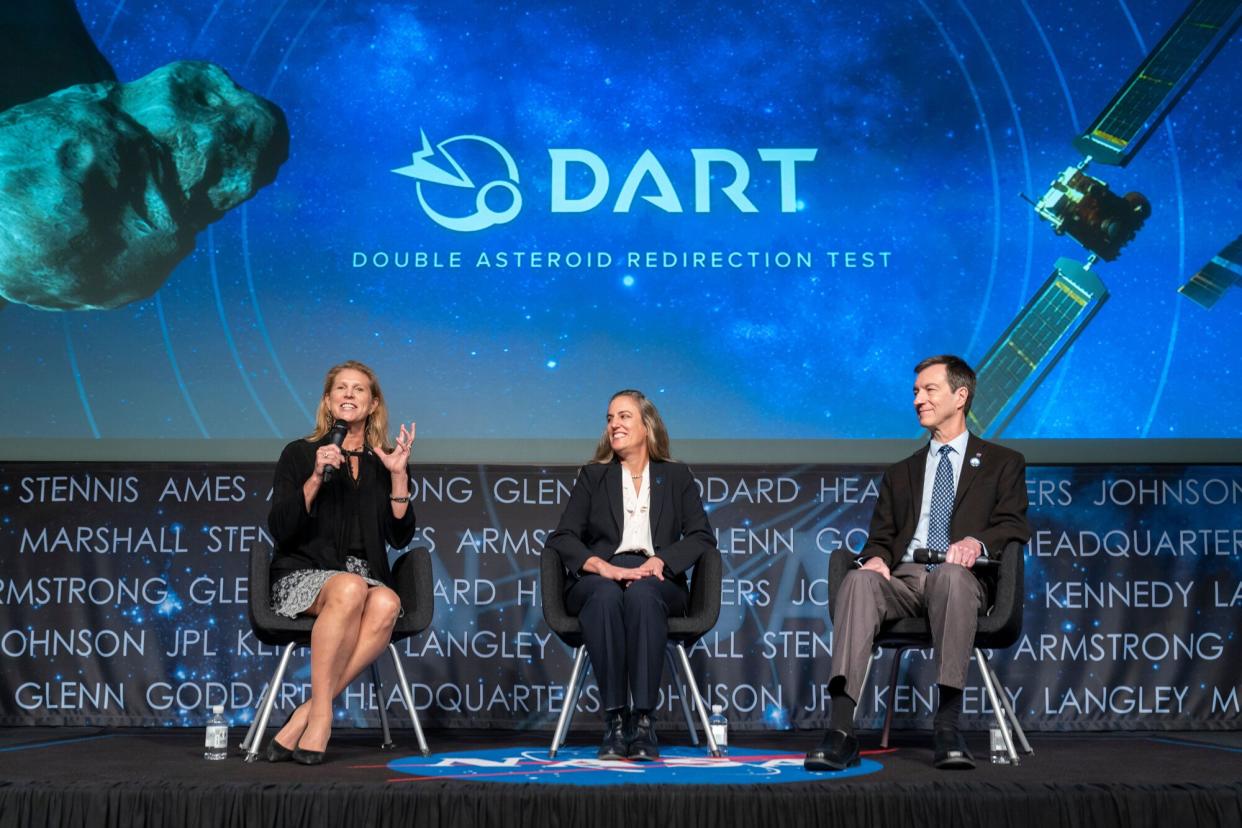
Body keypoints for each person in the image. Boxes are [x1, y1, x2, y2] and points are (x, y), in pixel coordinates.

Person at [805, 355, 1030, 771]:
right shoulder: (901, 472)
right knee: (857, 581)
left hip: (964, 578)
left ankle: (946, 726)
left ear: (960, 396)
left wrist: (976, 543)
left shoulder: (1002, 462)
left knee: (950, 576)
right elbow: (882, 538)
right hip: (905, 580)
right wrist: (875, 560)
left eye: (929, 390)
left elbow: (1013, 524)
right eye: (915, 392)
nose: (918, 400)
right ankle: (840, 731)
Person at [545, 390, 717, 761]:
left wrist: (662, 563)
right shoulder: (594, 476)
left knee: (642, 595)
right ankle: (614, 721)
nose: (614, 425)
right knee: (605, 596)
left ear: (647, 425)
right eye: (609, 418)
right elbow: (562, 537)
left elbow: (702, 535)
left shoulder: (676, 475)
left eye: (623, 416)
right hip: (599, 577)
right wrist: (601, 566)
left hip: (656, 577)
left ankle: (642, 722)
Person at [264, 360, 417, 765]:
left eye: (359, 389)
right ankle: (324, 718)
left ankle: (307, 712)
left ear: (373, 403)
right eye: (341, 389)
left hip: (362, 578)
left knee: (386, 601)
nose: (349, 395)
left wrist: (399, 476)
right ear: (329, 402)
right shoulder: (300, 453)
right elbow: (281, 527)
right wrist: (315, 476)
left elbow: (400, 537)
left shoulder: (382, 461)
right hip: (302, 572)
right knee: (350, 587)